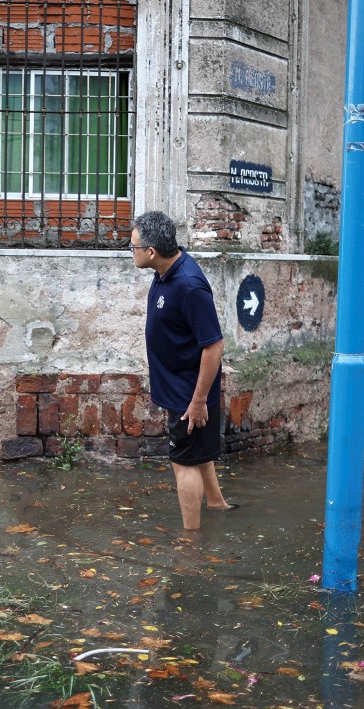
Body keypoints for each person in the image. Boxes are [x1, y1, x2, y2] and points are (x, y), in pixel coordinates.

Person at [129, 210, 234, 531]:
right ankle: (217, 504)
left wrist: (199, 400)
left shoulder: (189, 286)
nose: (130, 251)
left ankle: (192, 542)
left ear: (151, 252)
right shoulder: (164, 272)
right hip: (179, 385)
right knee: (197, 451)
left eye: (133, 247)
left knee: (182, 463)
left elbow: (213, 345)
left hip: (189, 393)